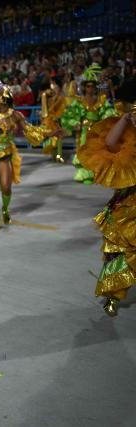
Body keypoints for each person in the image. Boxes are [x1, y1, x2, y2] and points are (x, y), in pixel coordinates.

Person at [77, 81, 136, 316]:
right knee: (116, 249)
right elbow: (110, 145)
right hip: (128, 202)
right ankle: (112, 293)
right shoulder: (125, 129)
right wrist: (125, 119)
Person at [0, 82, 52, 230]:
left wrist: (47, 132)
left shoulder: (15, 115)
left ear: (3, 99)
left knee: (6, 187)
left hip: (6, 153)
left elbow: (30, 131)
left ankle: (5, 209)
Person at [61, 65, 118, 184]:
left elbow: (108, 112)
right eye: (88, 86)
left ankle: (97, 173)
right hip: (84, 132)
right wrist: (76, 123)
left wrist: (106, 119)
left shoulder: (101, 100)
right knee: (84, 151)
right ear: (84, 87)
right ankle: (85, 174)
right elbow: (69, 115)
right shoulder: (79, 101)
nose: (90, 88)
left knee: (98, 152)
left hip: (97, 131)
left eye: (93, 85)